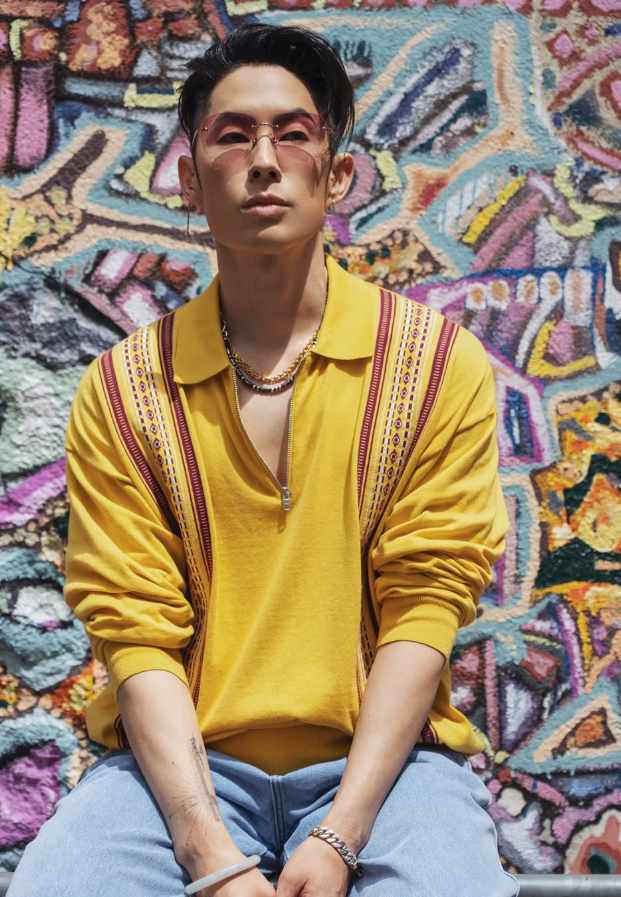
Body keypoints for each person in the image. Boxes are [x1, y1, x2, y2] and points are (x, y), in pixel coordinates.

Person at [7, 23, 519, 897]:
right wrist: (207, 849)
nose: (264, 160)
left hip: (388, 770)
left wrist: (340, 831)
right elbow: (135, 632)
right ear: (189, 180)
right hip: (180, 773)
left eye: (293, 133)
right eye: (233, 135)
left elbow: (425, 604)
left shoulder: (434, 364)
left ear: (337, 174)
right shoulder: (126, 387)